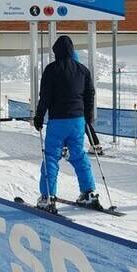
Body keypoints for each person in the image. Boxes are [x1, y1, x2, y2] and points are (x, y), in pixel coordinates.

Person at [33, 35, 98, 211]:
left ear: (56, 52)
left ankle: (48, 196)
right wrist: (88, 116)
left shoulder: (51, 69)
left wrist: (39, 117)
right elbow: (90, 94)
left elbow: (45, 96)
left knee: (51, 158)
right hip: (78, 121)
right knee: (78, 155)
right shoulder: (83, 70)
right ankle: (88, 192)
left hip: (58, 121)